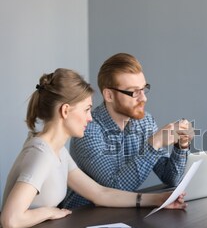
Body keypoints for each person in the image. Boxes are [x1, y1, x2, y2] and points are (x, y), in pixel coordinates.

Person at [0, 68, 186, 228]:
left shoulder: (58, 153)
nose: (90, 118)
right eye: (86, 110)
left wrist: (158, 199)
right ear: (65, 111)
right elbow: (10, 221)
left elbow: (100, 193)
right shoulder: (41, 155)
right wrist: (49, 212)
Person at [62, 53, 193, 208]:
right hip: (80, 218)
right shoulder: (88, 130)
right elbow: (115, 188)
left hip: (123, 214)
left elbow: (172, 179)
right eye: (134, 92)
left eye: (144, 89)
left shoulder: (145, 121)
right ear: (109, 95)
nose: (143, 98)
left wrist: (181, 145)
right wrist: (154, 143)